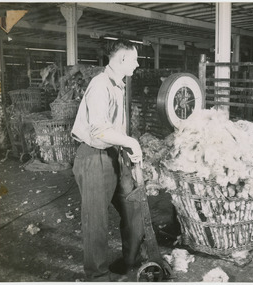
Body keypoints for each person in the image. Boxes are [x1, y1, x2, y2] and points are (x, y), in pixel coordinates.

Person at [71, 39, 144, 282]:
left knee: (134, 206)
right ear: (122, 59)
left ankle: (130, 261)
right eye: (134, 59)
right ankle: (97, 274)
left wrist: (124, 146)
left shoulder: (117, 86)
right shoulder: (100, 85)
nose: (137, 64)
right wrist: (131, 142)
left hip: (114, 155)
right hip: (93, 157)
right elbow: (98, 130)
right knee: (96, 219)